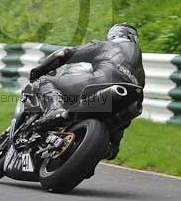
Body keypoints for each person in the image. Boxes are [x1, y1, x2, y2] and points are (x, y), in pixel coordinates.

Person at [28, 23, 145, 159]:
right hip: (129, 101)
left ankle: (54, 110)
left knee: (44, 81)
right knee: (114, 139)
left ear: (113, 35)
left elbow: (64, 54)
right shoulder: (141, 72)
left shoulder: (106, 45)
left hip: (100, 82)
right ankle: (109, 146)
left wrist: (39, 70)